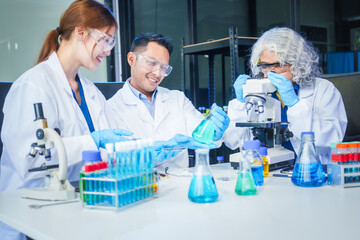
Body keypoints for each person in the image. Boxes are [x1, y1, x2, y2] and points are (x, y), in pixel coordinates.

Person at [0, 1, 132, 239]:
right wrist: (92, 142)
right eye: (106, 40)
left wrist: (143, 152)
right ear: (81, 32)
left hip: (77, 211)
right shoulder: (33, 85)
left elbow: (108, 149)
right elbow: (32, 162)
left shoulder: (92, 92)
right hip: (29, 218)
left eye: (111, 42)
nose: (109, 50)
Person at [107, 33, 230, 170]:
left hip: (179, 185)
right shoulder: (111, 108)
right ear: (131, 59)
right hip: (138, 185)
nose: (158, 73)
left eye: (164, 67)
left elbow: (201, 136)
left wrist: (214, 132)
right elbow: (112, 160)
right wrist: (146, 155)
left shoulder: (177, 100)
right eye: (152, 63)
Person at [224, 27, 347, 154]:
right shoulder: (258, 93)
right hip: (270, 168)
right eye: (265, 66)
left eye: (278, 65)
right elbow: (235, 142)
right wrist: (240, 104)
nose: (270, 72)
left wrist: (295, 104)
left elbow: (332, 139)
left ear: (297, 63)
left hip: (308, 167)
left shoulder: (324, 90)